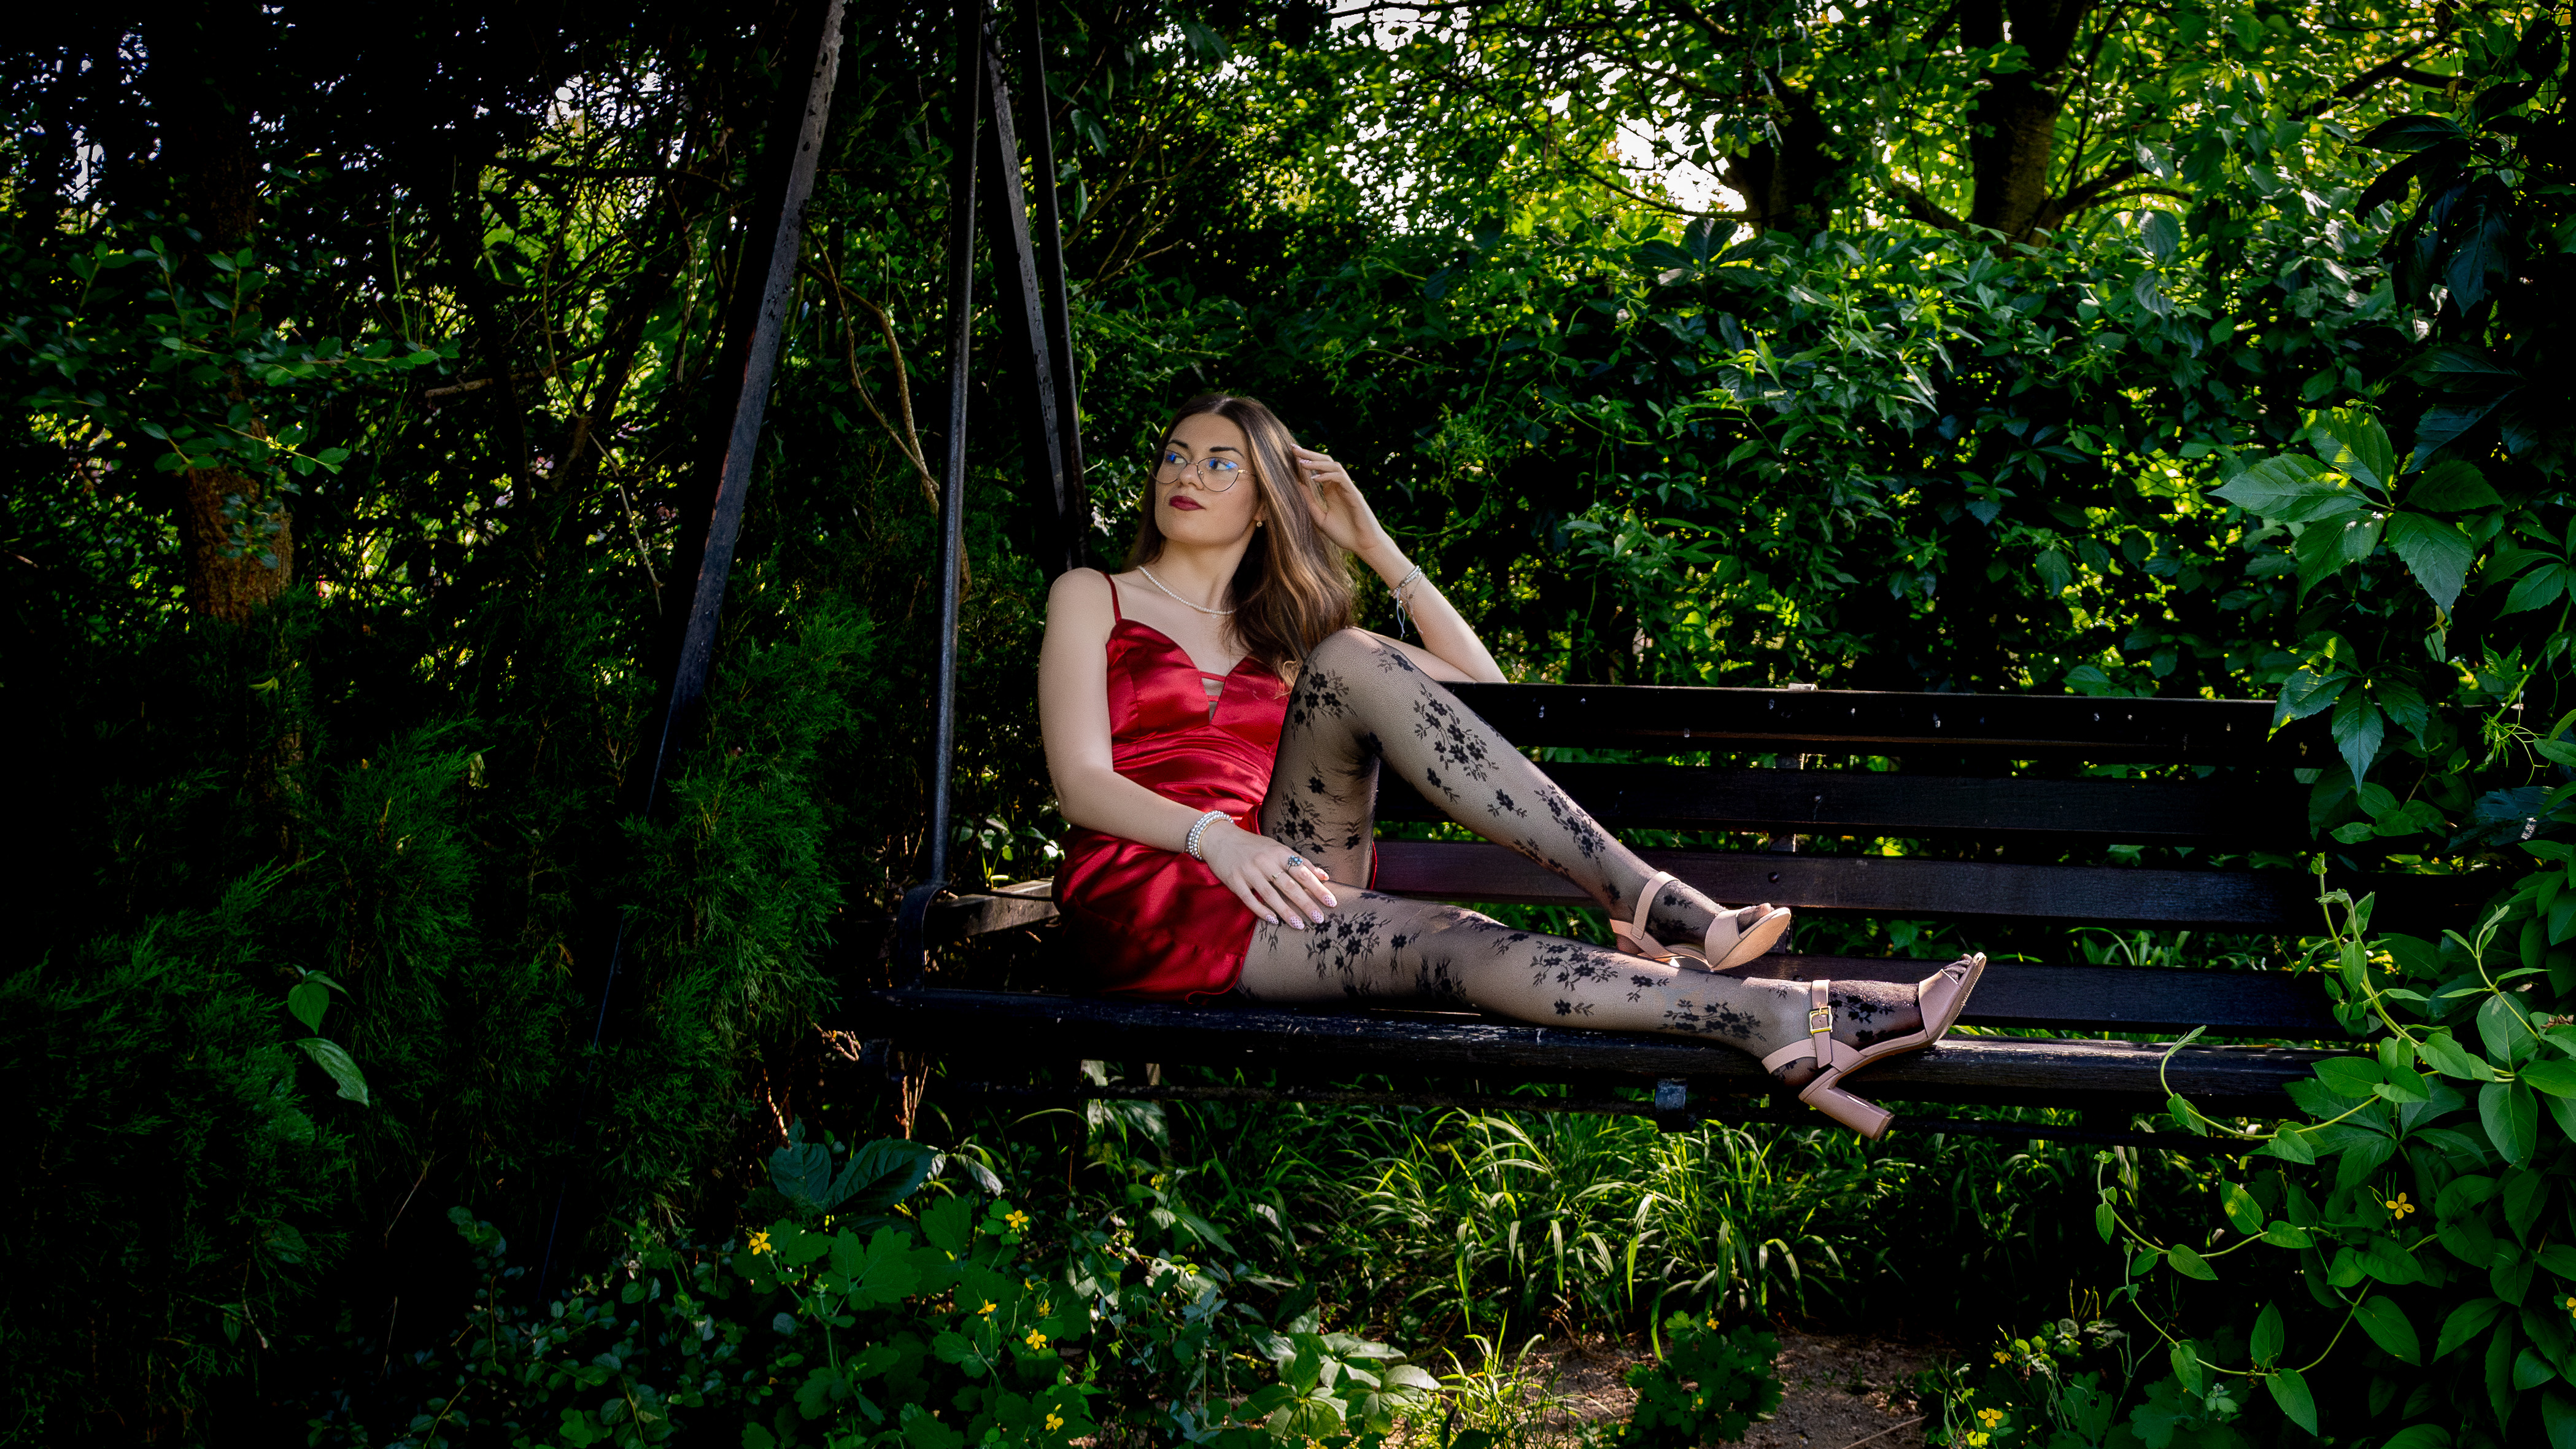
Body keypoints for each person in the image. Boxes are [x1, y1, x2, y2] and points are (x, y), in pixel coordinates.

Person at [1038, 393, 1982, 1138]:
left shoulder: (1286, 641)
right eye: (1175, 456)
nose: (1185, 475)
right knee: (1458, 940)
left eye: (1220, 463)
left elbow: (1484, 702)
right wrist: (1215, 840)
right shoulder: (1093, 595)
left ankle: (1651, 905)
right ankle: (1777, 1012)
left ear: (1266, 502)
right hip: (1151, 889)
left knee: (1351, 655)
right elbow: (1080, 783)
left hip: (1281, 874)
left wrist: (1375, 546)